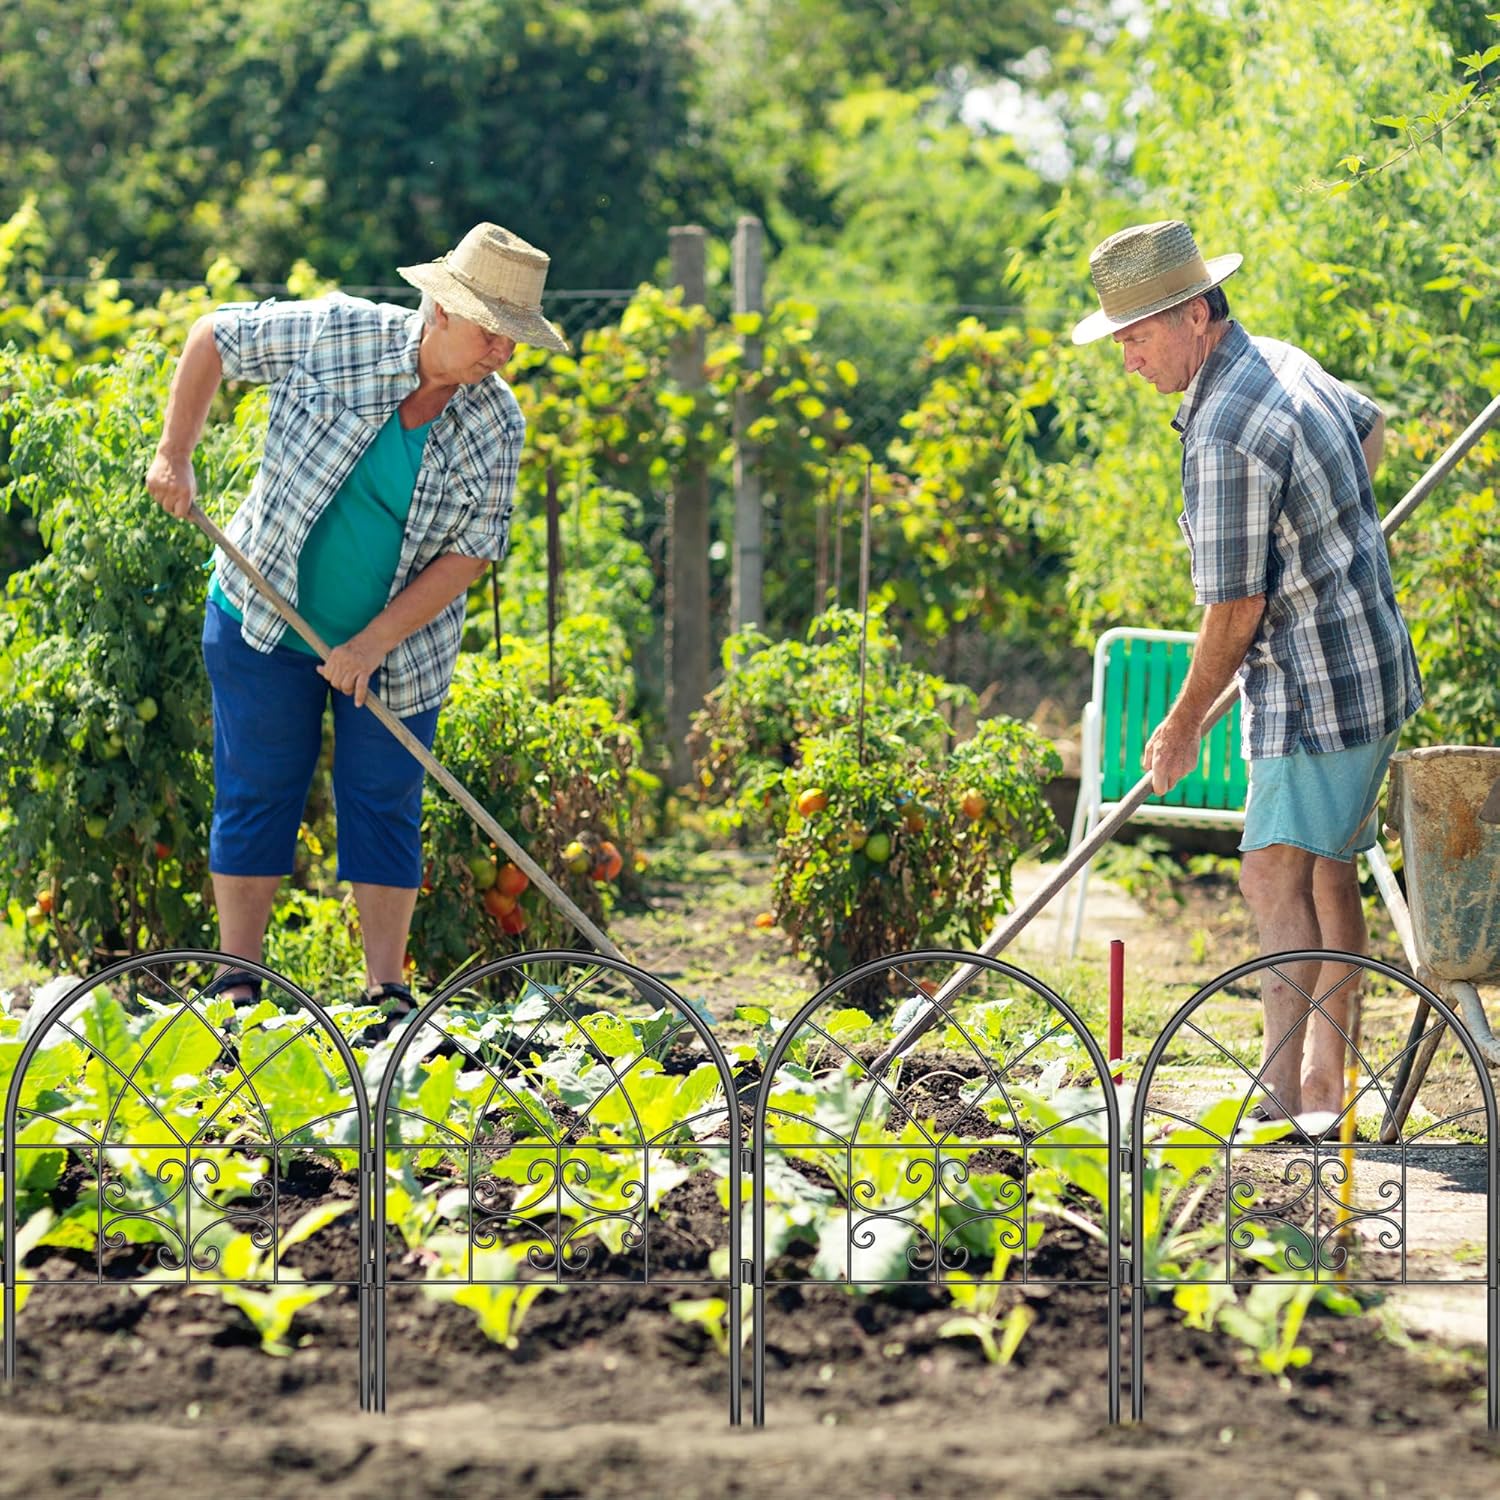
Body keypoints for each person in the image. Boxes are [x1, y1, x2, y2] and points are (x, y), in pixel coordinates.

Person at [146, 222, 567, 1017]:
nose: (503, 351)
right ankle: (239, 982)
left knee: (383, 799)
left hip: (400, 651)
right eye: (492, 331)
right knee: (257, 788)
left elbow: (472, 552)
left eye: (515, 338)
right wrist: (176, 452)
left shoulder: (496, 422)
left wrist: (372, 643)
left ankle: (386, 994)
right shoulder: (340, 332)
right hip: (263, 617)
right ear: (442, 309)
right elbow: (213, 338)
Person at [1073, 219, 1422, 1126]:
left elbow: (1235, 609)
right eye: (1119, 343)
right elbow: (1371, 428)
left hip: (1317, 688)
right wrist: (1331, 536)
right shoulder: (1280, 360)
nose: (1128, 361)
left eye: (1137, 339)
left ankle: (1282, 1096)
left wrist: (1182, 722)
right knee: (1326, 872)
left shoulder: (1224, 429)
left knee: (1271, 876)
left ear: (1195, 315)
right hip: (1369, 665)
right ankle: (1323, 1086)